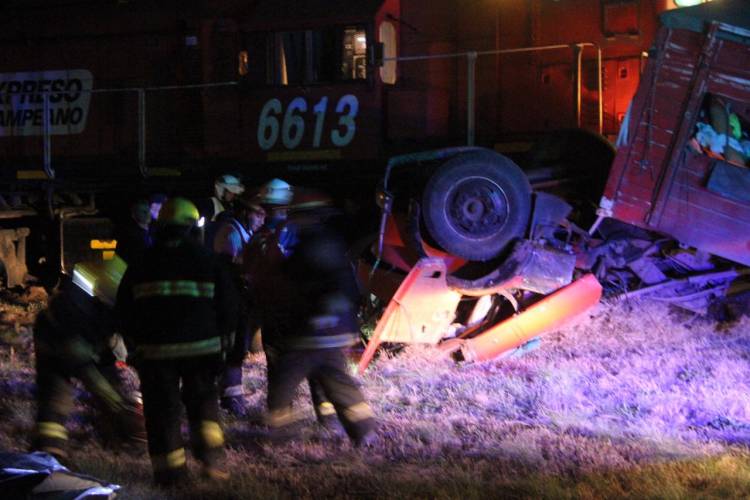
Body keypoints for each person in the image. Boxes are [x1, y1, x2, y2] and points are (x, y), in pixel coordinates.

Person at [116, 197, 240, 486]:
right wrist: (227, 345)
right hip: (203, 351)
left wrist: (135, 345)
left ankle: (171, 477)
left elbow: (124, 309)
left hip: (155, 354)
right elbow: (230, 307)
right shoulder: (208, 261)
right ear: (191, 228)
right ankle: (213, 466)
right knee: (204, 409)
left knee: (162, 414)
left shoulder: (141, 263)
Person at [248, 187, 377, 446]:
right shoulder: (328, 241)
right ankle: (364, 433)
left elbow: (298, 280)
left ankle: (281, 437)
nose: (292, 220)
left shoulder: (313, 245)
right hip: (332, 329)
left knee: (284, 380)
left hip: (312, 331)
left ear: (308, 216)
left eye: (295, 215)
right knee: (336, 381)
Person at [31, 255, 146, 464]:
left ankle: (115, 437)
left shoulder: (108, 302)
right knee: (57, 396)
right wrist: (116, 403)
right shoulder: (74, 311)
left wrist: (125, 380)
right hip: (55, 344)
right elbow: (86, 369)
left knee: (115, 386)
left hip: (85, 344)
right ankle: (49, 451)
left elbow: (115, 339)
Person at [212, 193, 266, 415]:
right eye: (258, 214)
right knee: (233, 349)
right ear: (245, 213)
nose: (262, 219)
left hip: (240, 301)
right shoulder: (230, 233)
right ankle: (230, 398)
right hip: (231, 301)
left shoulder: (244, 232)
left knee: (238, 348)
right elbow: (230, 270)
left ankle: (230, 395)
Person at [114, 198, 152, 265]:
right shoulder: (129, 236)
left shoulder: (154, 231)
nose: (147, 214)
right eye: (143, 211)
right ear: (134, 215)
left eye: (148, 211)